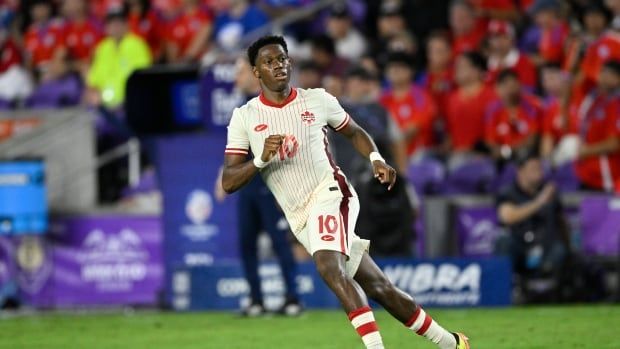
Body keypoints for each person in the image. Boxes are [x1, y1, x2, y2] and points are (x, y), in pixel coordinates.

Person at [222, 35, 469, 349]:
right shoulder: (244, 117)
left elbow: (354, 131)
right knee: (380, 287)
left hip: (332, 193)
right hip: (300, 216)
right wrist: (260, 159)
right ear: (256, 72)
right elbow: (229, 181)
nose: (278, 66)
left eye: (282, 59)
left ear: (290, 62)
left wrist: (377, 158)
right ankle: (453, 343)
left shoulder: (317, 99)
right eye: (269, 62)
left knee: (328, 265)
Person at [216, 57, 302, 317]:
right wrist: (223, 175)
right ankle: (256, 300)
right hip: (249, 188)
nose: (236, 78)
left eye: (240, 72)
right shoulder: (243, 110)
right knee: (247, 244)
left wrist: (287, 186)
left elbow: (289, 146)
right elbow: (236, 150)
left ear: (255, 76)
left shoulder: (274, 106)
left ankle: (293, 299)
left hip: (272, 187)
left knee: (280, 244)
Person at [495, 150, 570, 297]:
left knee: (560, 249)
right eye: (533, 169)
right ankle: (505, 292)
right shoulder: (508, 192)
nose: (539, 173)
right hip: (520, 247)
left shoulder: (550, 192)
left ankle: (548, 291)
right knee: (503, 243)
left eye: (539, 168)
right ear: (520, 171)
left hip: (545, 246)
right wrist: (539, 202)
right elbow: (507, 216)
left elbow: (562, 221)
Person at [85, 7, 151, 109]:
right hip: (104, 105)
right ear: (106, 27)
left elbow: (142, 76)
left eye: (120, 23)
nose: (116, 27)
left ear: (126, 25)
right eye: (112, 23)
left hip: (129, 104)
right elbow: (95, 78)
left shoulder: (137, 45)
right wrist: (94, 92)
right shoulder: (102, 48)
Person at [380, 52, 438, 159]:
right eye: (391, 67)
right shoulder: (382, 98)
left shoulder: (421, 97)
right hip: (390, 154)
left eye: (400, 67)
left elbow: (412, 130)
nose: (394, 71)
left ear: (410, 71)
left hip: (418, 153)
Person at [573, 61, 620, 192]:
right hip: (586, 174)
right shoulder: (596, 100)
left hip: (606, 178)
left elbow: (615, 143)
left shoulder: (617, 104)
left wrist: (585, 151)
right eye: (602, 71)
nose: (603, 76)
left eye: (609, 73)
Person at [444, 51, 495, 157]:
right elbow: (450, 133)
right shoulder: (452, 99)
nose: (456, 71)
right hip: (455, 153)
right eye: (455, 66)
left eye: (461, 67)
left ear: (477, 70)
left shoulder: (491, 97)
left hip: (482, 154)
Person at [485, 69, 543, 161]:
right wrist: (503, 152)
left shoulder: (531, 106)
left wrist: (510, 150)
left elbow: (533, 138)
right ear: (497, 88)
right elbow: (490, 141)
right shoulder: (492, 110)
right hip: (502, 156)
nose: (510, 89)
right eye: (505, 85)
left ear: (519, 85)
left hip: (526, 154)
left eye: (513, 85)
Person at [486, 20, 538, 90]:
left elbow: (529, 89)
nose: (498, 41)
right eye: (494, 37)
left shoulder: (523, 61)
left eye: (503, 37)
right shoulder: (489, 63)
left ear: (512, 39)